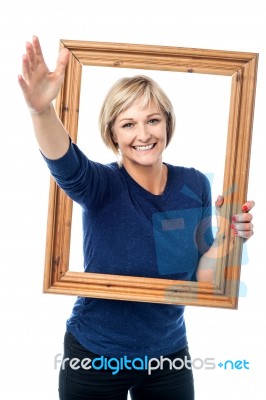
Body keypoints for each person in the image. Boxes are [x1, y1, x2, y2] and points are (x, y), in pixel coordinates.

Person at [18, 36, 254, 400]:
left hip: (167, 356)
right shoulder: (102, 185)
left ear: (167, 124)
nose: (143, 134)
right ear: (112, 133)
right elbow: (64, 161)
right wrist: (41, 111)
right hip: (96, 354)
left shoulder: (193, 184)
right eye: (128, 124)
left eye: (153, 120)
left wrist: (227, 238)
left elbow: (201, 281)